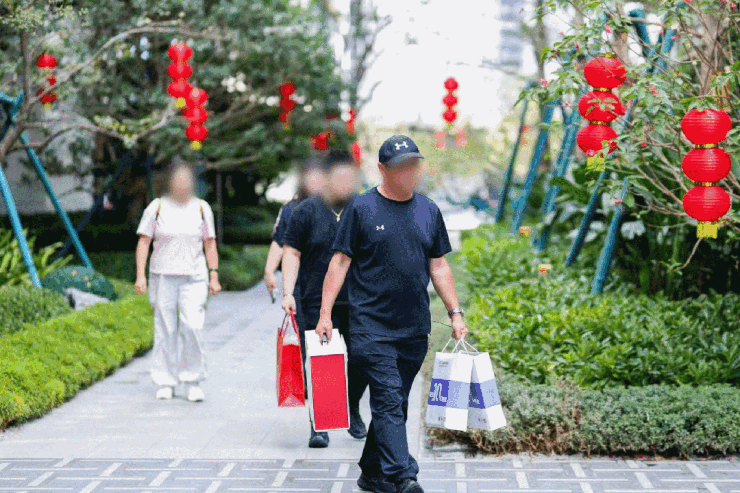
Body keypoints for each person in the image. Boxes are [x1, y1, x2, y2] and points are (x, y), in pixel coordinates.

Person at [316, 136, 468, 493]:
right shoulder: (362, 208)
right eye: (401, 166)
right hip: (370, 326)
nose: (409, 171)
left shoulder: (428, 210)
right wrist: (325, 314)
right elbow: (339, 262)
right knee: (387, 400)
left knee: (395, 404)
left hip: (414, 328)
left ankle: (371, 473)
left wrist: (455, 313)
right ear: (383, 170)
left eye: (414, 164)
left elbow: (439, 265)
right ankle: (404, 475)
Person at [281, 150, 370, 448]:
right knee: (323, 364)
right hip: (315, 300)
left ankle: (352, 407)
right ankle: (321, 424)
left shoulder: (365, 208)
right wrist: (288, 292)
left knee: (362, 358)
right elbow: (291, 252)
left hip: (358, 299)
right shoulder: (306, 211)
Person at [134, 162, 220, 402]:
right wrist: (140, 275)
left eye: (186, 178)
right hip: (163, 276)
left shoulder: (201, 208)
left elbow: (210, 243)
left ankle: (192, 381)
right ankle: (165, 381)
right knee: (165, 329)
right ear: (169, 181)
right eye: (178, 178)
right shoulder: (157, 207)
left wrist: (214, 274)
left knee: (193, 326)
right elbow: (143, 242)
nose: (182, 183)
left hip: (194, 276)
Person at [263, 158, 326, 304]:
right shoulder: (291, 208)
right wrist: (269, 271)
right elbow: (279, 241)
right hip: (301, 286)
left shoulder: (341, 208)